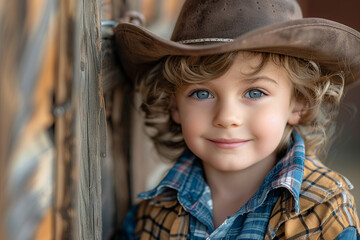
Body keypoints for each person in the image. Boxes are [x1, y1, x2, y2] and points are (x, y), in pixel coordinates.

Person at [114, 0, 360, 239]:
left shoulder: (323, 213)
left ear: (299, 103)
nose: (226, 118)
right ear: (173, 105)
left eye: (255, 93)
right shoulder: (152, 215)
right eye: (202, 93)